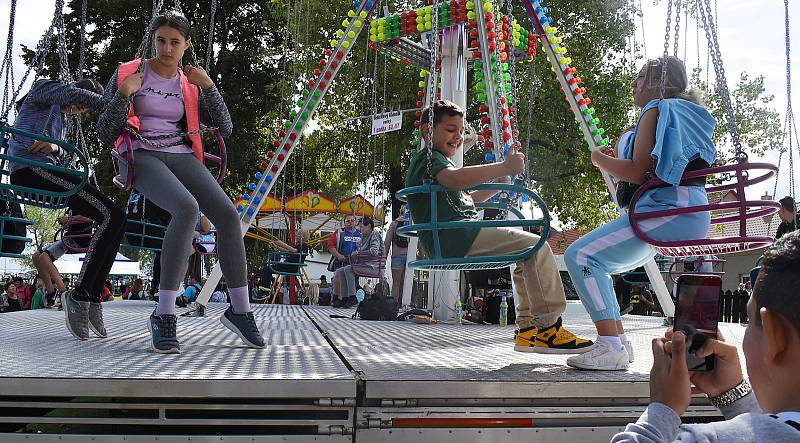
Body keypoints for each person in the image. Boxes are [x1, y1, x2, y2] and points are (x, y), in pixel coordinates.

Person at [96, 10, 264, 354]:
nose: (167, 48)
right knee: (186, 209)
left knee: (229, 218)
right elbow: (104, 131)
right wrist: (123, 95)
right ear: (152, 40)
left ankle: (240, 310)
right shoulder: (129, 72)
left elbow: (225, 128)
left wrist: (210, 86)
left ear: (186, 45)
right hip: (140, 154)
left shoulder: (189, 82)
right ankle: (164, 313)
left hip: (180, 153)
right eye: (161, 40)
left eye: (175, 42)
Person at [405, 100, 593, 354]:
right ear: (428, 131)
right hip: (455, 237)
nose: (458, 137)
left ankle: (527, 331)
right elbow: (455, 180)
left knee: (525, 252)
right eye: (450, 129)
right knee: (536, 245)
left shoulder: (439, 165)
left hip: (455, 235)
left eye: (461, 131)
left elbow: (465, 199)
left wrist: (497, 182)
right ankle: (548, 329)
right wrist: (503, 166)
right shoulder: (429, 160)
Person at [564, 56, 716, 370]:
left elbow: (635, 172)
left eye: (640, 78)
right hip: (691, 212)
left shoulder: (655, 109)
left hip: (667, 212)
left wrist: (598, 159)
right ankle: (618, 344)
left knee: (579, 256)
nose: (634, 85)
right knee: (597, 262)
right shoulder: (684, 115)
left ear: (660, 84)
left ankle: (610, 345)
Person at [612, 231, 800, 442]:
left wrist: (662, 409)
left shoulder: (712, 438)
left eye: (748, 320)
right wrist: (733, 395)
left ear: (776, 334)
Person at [6, 78, 123, 336]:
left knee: (116, 219)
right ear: (77, 94)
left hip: (47, 170)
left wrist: (56, 146)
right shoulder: (43, 91)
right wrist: (110, 105)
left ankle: (91, 296)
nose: (77, 111)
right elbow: (66, 93)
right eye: (80, 105)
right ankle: (80, 295)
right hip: (29, 169)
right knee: (110, 215)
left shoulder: (63, 119)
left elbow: (63, 153)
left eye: (81, 111)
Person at [332, 217, 384, 308]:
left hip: (374, 266)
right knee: (340, 271)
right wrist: (358, 249)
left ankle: (352, 297)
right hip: (365, 264)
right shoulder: (364, 236)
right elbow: (362, 250)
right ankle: (345, 298)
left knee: (348, 269)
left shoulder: (374, 234)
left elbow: (374, 251)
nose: (360, 229)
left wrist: (358, 253)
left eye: (362, 227)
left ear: (369, 226)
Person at [384, 206, 410, 302]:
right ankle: (408, 304)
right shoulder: (413, 224)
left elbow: (387, 242)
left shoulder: (394, 224)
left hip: (397, 256)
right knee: (410, 282)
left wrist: (383, 259)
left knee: (396, 283)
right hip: (410, 257)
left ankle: (394, 305)